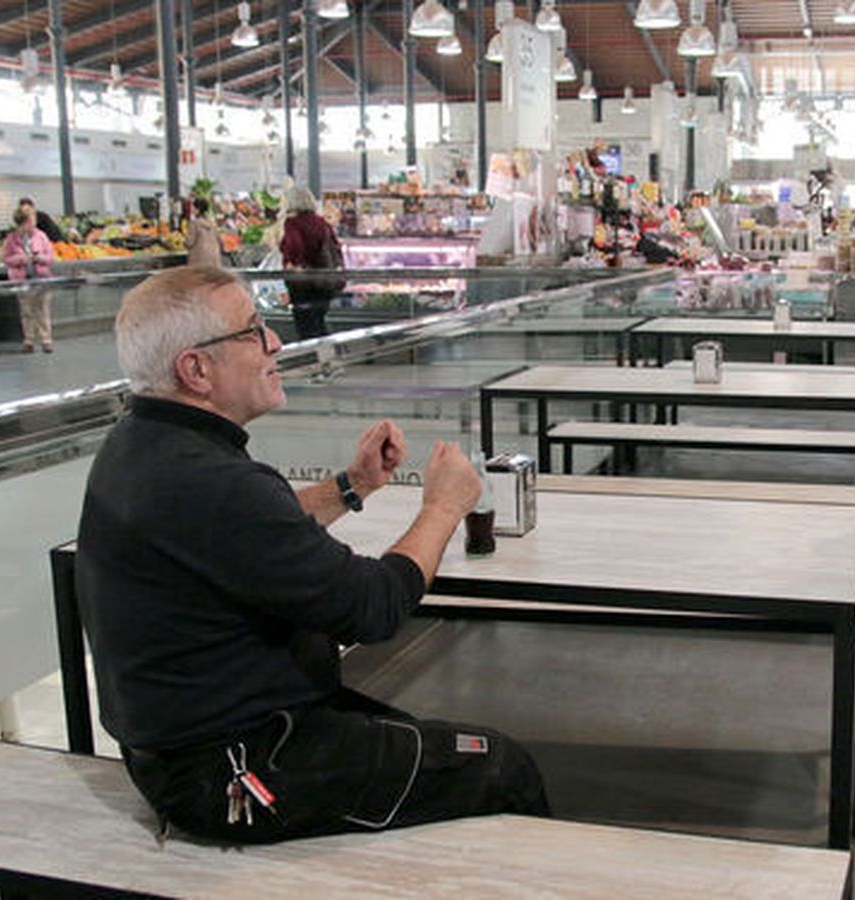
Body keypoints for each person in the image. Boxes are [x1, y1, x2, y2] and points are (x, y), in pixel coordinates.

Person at [76, 266, 549, 845]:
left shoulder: (142, 446)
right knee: (503, 767)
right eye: (251, 332)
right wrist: (443, 507)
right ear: (196, 369)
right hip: (240, 771)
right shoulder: (214, 483)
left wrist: (353, 485)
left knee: (420, 740)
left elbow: (249, 538)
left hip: (183, 751)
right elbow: (376, 607)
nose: (275, 341)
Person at [279, 186, 343, 340]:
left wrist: (293, 263)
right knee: (319, 324)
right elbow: (336, 246)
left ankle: (312, 359)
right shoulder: (321, 222)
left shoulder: (292, 223)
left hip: (303, 284)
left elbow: (295, 246)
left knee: (306, 328)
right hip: (324, 283)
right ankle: (326, 358)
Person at [2, 207, 55, 353]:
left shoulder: (41, 236)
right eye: (31, 220)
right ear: (23, 223)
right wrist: (22, 259)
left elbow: (50, 256)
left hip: (41, 277)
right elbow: (6, 259)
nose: (34, 224)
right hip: (22, 280)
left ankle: (46, 340)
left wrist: (40, 258)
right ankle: (29, 340)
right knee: (26, 310)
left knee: (42, 309)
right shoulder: (11, 239)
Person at [185, 197, 223, 268]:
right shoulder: (213, 223)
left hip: (199, 259)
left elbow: (189, 242)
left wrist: (184, 240)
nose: (192, 210)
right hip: (214, 258)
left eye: (194, 208)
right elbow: (220, 240)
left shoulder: (194, 224)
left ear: (198, 209)